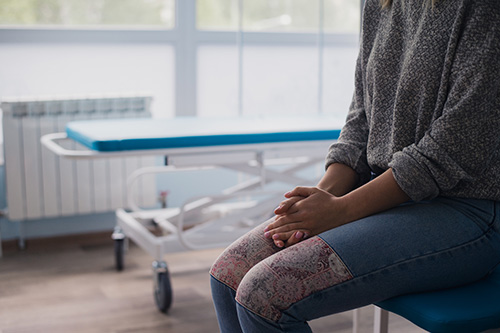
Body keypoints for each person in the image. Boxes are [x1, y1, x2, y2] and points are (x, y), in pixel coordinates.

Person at [210, 0, 500, 331]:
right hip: (391, 198)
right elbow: (362, 118)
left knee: (264, 295)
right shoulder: (379, 3)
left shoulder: (484, 8)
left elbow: (456, 146)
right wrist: (316, 204)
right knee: (228, 275)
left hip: (469, 212)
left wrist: (341, 210)